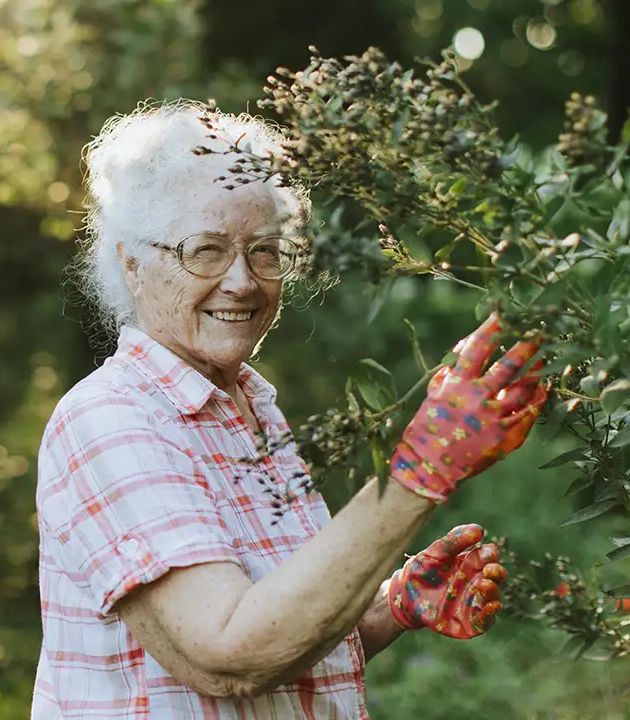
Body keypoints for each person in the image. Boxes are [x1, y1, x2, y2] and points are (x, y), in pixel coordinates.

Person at [32, 100, 549, 718]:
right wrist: (421, 468)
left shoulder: (252, 410)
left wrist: (393, 607)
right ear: (131, 261)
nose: (243, 281)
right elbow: (225, 655)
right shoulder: (112, 419)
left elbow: (282, 649)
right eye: (206, 250)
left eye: (265, 251)